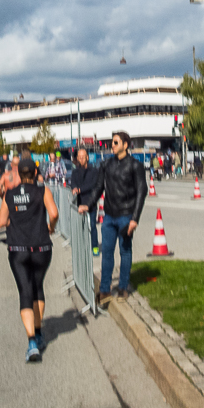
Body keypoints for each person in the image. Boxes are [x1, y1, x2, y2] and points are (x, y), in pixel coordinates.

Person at [0, 157, 59, 362]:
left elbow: (0, 222)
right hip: (41, 246)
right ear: (34, 174)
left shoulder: (10, 195)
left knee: (25, 290)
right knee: (38, 287)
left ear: (18, 175)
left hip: (18, 248)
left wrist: (14, 221)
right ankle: (39, 333)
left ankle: (31, 341)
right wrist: (51, 226)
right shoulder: (43, 191)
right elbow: (54, 213)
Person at [79, 131, 146, 307]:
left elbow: (142, 192)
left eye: (116, 142)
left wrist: (135, 218)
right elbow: (98, 187)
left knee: (125, 252)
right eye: (112, 142)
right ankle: (105, 290)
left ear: (125, 145)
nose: (112, 145)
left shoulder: (135, 166)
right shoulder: (106, 164)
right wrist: (88, 204)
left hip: (126, 216)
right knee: (107, 253)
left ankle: (123, 287)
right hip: (109, 217)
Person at [70, 147, 100, 256]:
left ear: (87, 157)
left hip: (90, 203)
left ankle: (94, 247)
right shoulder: (75, 172)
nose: (81, 159)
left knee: (92, 225)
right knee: (80, 227)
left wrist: (80, 189)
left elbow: (93, 185)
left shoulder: (94, 171)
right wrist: (74, 188)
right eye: (79, 157)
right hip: (79, 203)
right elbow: (73, 183)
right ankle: (82, 248)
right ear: (77, 158)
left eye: (83, 157)